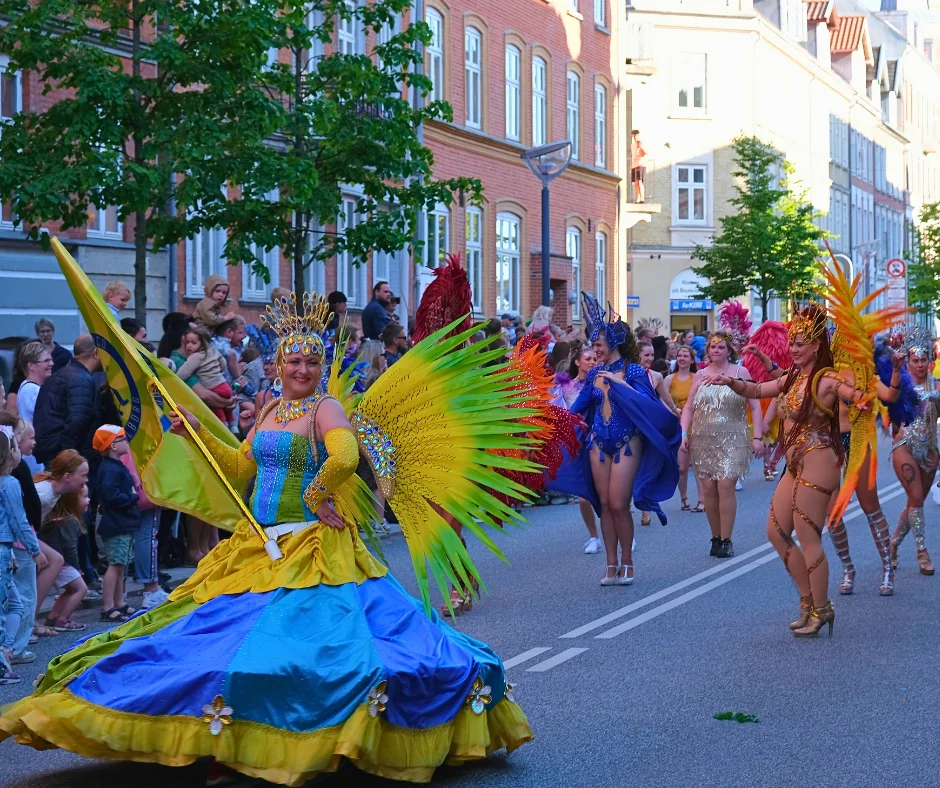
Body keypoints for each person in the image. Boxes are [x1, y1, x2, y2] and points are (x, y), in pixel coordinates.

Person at [1, 290, 533, 784]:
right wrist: (199, 429)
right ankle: (224, 735)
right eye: (293, 361)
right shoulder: (275, 410)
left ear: (320, 367)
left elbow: (346, 456)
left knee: (299, 650)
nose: (301, 370)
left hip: (311, 547)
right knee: (217, 637)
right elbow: (238, 468)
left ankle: (275, 739)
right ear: (280, 365)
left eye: (310, 362)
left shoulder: (326, 408)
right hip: (258, 545)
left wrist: (320, 494)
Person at [711, 306, 869, 638]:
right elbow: (757, 390)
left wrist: (860, 398)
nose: (794, 348)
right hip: (794, 463)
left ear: (816, 346)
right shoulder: (792, 378)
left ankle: (822, 609)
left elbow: (849, 393)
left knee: (807, 533)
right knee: (775, 531)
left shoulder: (826, 378)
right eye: (792, 342)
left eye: (800, 343)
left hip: (820, 458)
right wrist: (731, 382)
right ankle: (806, 601)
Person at [563, 294, 680, 586]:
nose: (595, 350)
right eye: (593, 345)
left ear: (613, 344)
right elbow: (576, 411)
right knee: (603, 504)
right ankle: (610, 563)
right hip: (598, 446)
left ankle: (627, 560)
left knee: (618, 504)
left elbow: (648, 404)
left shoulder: (634, 370)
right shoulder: (592, 377)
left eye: (599, 344)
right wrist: (550, 418)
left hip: (628, 443)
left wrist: (621, 383)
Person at [681, 333, 762, 558]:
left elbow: (754, 406)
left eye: (720, 347)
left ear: (729, 351)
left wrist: (757, 436)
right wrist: (684, 433)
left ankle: (727, 539)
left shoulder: (740, 373)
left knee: (725, 485)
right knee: (708, 489)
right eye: (712, 347)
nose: (716, 351)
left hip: (734, 436)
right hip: (703, 437)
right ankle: (715, 537)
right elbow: (688, 407)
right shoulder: (699, 375)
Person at [890, 329, 940, 577]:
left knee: (914, 502)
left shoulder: (937, 388)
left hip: (930, 451)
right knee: (917, 497)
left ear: (930, 361)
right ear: (908, 362)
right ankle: (922, 552)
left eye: (923, 360)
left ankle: (893, 544)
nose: (920, 365)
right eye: (915, 360)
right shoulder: (899, 386)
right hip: (904, 448)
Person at [0, 425, 41, 685]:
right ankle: (2, 661)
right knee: (7, 608)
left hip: (5, 551)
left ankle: (6, 652)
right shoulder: (9, 483)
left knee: (14, 604)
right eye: (14, 446)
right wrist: (35, 551)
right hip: (3, 550)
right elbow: (18, 520)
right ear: (7, 454)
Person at [555, 344, 603, 554]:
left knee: (607, 492)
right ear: (577, 362)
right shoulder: (566, 386)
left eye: (594, 359)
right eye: (588, 359)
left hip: (599, 439)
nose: (592, 362)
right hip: (576, 442)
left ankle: (621, 533)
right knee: (583, 495)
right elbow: (559, 410)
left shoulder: (601, 384)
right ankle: (594, 536)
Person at [93, 425, 139, 624]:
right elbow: (111, 496)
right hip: (116, 523)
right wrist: (131, 498)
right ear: (112, 446)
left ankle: (119, 602)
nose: (126, 441)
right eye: (122, 439)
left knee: (121, 565)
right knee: (115, 565)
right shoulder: (110, 469)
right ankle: (107, 606)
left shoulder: (114, 465)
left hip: (123, 523)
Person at [33, 335, 102, 468]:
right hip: (67, 460)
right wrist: (68, 457)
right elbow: (77, 420)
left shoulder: (63, 374)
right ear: (96, 353)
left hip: (55, 453)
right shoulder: (80, 379)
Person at [119, 449, 169, 610]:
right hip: (144, 482)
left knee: (124, 539)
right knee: (146, 536)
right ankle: (151, 589)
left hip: (125, 485)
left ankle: (119, 594)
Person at [37, 485, 89, 633]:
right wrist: (77, 568)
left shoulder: (53, 519)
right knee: (81, 588)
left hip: (55, 562)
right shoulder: (70, 521)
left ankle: (53, 617)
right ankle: (62, 619)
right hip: (64, 564)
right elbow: (71, 549)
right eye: (84, 497)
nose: (89, 500)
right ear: (72, 502)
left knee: (70, 589)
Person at [665, 346, 700, 512]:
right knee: (682, 466)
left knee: (699, 465)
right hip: (678, 425)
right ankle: (684, 498)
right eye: (679, 356)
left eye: (686, 356)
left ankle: (701, 500)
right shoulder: (670, 379)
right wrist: (672, 411)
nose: (682, 359)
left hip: (698, 423)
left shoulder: (697, 377)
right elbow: (662, 400)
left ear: (692, 360)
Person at [176, 328, 234, 424]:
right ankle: (232, 425)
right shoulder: (213, 351)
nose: (189, 346)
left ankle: (223, 426)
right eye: (187, 342)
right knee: (225, 408)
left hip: (213, 387)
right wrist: (217, 372)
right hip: (223, 385)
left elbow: (182, 374)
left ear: (203, 343)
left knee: (216, 410)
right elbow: (223, 363)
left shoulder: (196, 356)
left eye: (193, 343)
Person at [14, 341, 53, 427]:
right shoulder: (32, 390)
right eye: (46, 360)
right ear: (31, 365)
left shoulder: (28, 387)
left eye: (51, 360)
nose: (51, 364)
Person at [630, 129, 647, 203]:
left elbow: (645, 153)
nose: (634, 137)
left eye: (636, 135)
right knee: (636, 182)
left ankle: (642, 198)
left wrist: (640, 147)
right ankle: (637, 198)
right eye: (633, 135)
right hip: (634, 165)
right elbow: (633, 155)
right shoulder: (632, 145)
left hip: (641, 164)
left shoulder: (641, 143)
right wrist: (631, 165)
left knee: (640, 181)